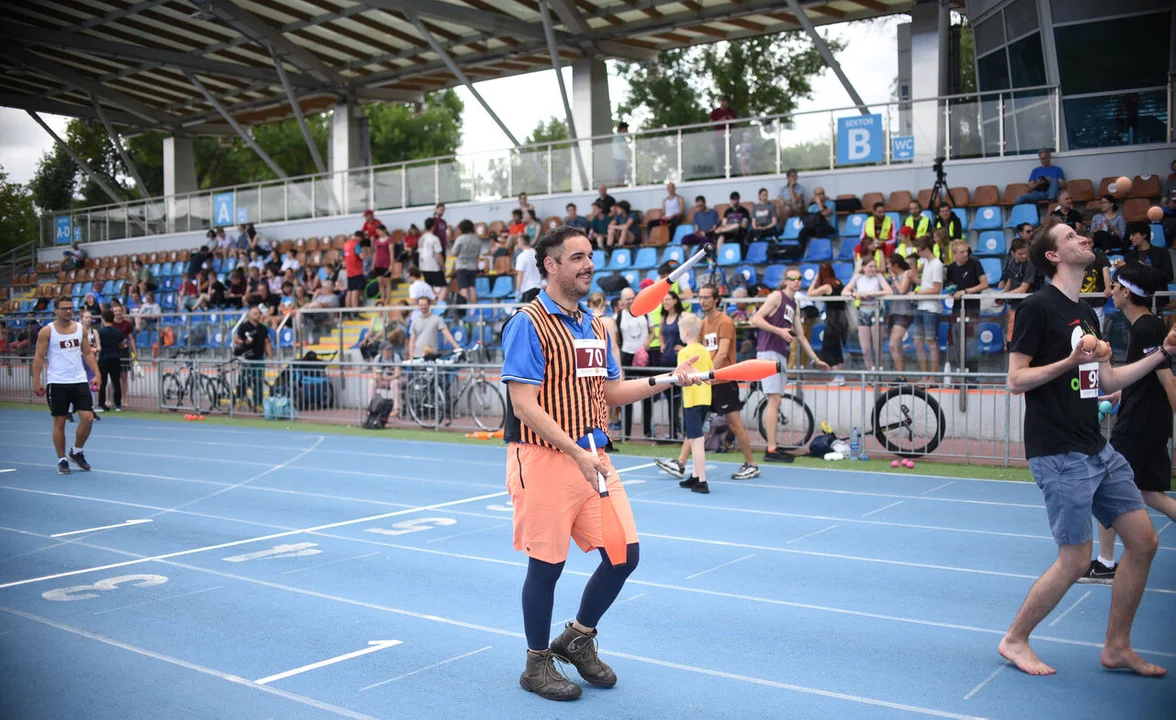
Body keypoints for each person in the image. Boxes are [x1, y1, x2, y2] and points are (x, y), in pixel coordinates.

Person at [499, 225, 700, 701]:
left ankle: (577, 637)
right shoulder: (527, 322)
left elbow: (609, 392)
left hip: (593, 457)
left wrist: (669, 379)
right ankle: (535, 664)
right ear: (551, 265)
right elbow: (525, 404)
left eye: (590, 256)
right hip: (544, 458)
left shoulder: (594, 324)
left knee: (623, 554)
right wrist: (576, 452)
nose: (589, 264)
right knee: (546, 567)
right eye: (577, 257)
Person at [1000, 216, 1171, 678]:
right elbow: (1016, 380)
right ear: (1054, 255)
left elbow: (1105, 380)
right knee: (1075, 558)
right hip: (1058, 452)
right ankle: (1015, 640)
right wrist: (1070, 361)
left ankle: (1116, 647)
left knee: (1143, 541)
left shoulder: (1089, 313)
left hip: (1096, 447)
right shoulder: (1037, 307)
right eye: (1072, 237)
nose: (1083, 238)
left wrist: (1163, 355)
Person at [1082, 262, 1176, 584]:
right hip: (1145, 420)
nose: (1110, 293)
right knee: (1149, 493)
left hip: (1140, 425)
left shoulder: (1147, 329)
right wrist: (1117, 397)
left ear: (1125, 292)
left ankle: (1106, 564)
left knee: (1105, 486)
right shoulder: (1148, 326)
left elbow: (1167, 380)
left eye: (1115, 287)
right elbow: (1145, 378)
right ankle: (1106, 562)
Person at [656, 284, 760, 480]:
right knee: (695, 424)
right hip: (706, 382)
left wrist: (707, 372)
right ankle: (680, 463)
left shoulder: (725, 322)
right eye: (700, 297)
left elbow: (722, 353)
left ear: (716, 299)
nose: (703, 301)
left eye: (706, 297)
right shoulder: (702, 323)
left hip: (722, 381)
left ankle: (751, 464)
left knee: (735, 424)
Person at [751, 267, 829, 462]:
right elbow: (756, 319)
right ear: (785, 280)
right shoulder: (776, 297)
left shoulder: (794, 303)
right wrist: (779, 331)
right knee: (773, 401)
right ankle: (771, 449)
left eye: (799, 278)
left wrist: (816, 358)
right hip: (769, 353)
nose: (796, 281)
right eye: (792, 278)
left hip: (780, 354)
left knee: (775, 401)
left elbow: (801, 336)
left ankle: (773, 446)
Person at [32, 297, 100, 475]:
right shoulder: (47, 332)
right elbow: (39, 357)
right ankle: (61, 460)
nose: (68, 312)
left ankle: (76, 452)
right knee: (59, 421)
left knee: (87, 418)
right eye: (64, 309)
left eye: (70, 308)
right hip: (57, 382)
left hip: (78, 380)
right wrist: (36, 380)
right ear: (56, 310)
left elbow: (87, 352)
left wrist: (97, 374)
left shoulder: (80, 329)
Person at [666, 313, 714, 493]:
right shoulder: (704, 350)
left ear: (685, 332)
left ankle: (702, 479)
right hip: (705, 398)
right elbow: (711, 371)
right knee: (694, 438)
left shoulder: (684, 353)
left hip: (692, 400)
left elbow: (681, 377)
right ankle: (695, 475)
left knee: (697, 440)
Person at [615, 287, 654, 439]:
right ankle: (627, 432)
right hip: (627, 356)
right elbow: (617, 338)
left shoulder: (646, 312)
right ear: (621, 301)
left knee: (648, 392)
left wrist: (646, 345)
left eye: (632, 298)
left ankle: (647, 431)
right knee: (627, 395)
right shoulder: (618, 316)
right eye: (627, 299)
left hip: (644, 357)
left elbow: (653, 332)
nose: (630, 301)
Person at [843, 258, 894, 371]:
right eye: (870, 266)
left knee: (877, 347)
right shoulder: (858, 277)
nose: (873, 269)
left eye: (875, 266)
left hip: (876, 310)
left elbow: (889, 291)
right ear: (864, 267)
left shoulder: (879, 277)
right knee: (865, 349)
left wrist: (872, 294)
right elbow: (845, 291)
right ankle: (870, 371)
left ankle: (879, 372)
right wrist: (855, 294)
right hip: (863, 311)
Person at [912, 237, 944, 384]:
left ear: (925, 249)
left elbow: (936, 289)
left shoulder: (937, 264)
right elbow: (927, 285)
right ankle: (925, 375)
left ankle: (933, 376)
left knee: (931, 342)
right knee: (918, 342)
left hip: (931, 307)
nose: (918, 253)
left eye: (919, 250)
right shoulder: (927, 264)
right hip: (922, 305)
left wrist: (918, 293)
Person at [808, 263, 847, 384]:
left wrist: (815, 279)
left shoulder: (827, 286)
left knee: (829, 347)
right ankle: (839, 375)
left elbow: (810, 293)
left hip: (833, 319)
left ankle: (838, 375)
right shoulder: (838, 282)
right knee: (836, 346)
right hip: (842, 318)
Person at [233, 305, 271, 412]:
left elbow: (267, 342)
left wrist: (271, 359)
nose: (258, 315)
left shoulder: (263, 328)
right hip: (247, 358)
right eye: (255, 313)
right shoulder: (244, 327)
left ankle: (258, 403)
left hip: (259, 358)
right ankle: (240, 399)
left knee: (258, 382)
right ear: (250, 315)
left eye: (259, 313)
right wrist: (245, 342)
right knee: (244, 380)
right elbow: (237, 339)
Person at [1000, 237, 1037, 344]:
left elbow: (1023, 289)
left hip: (1029, 303)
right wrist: (1002, 293)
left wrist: (1004, 295)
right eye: (1020, 254)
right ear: (1013, 253)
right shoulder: (1010, 261)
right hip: (1014, 303)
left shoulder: (1030, 264)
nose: (1024, 256)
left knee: (1027, 333)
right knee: (1011, 331)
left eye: (1025, 253)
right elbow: (1011, 280)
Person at [886, 253, 917, 377]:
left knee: (893, 344)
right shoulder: (894, 277)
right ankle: (900, 375)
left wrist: (893, 279)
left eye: (889, 264)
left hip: (904, 312)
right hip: (894, 312)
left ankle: (901, 376)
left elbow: (902, 290)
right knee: (896, 346)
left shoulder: (906, 274)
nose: (887, 266)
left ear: (895, 265)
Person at [95, 309, 125, 413]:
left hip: (103, 358)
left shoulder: (100, 332)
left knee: (102, 382)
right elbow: (122, 345)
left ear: (103, 319)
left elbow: (97, 344)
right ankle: (118, 405)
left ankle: (101, 404)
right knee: (116, 381)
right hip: (115, 357)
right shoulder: (117, 332)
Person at [451, 219, 481, 311]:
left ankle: (464, 310)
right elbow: (478, 254)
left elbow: (453, 253)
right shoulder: (477, 239)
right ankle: (473, 309)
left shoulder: (460, 239)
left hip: (462, 266)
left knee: (463, 288)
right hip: (473, 266)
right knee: (472, 288)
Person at [418, 218, 447, 302]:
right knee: (444, 286)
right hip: (433, 266)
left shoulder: (421, 238)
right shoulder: (434, 239)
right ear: (433, 226)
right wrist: (443, 266)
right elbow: (438, 255)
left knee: (429, 287)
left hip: (423, 266)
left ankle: (431, 304)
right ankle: (438, 305)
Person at [515, 233, 543, 303]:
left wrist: (517, 291)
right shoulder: (537, 254)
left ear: (521, 242)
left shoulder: (521, 256)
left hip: (528, 288)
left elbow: (520, 275)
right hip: (539, 287)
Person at [342, 232, 366, 308]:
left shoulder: (345, 244)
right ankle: (355, 311)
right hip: (356, 270)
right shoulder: (356, 244)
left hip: (349, 271)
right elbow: (361, 256)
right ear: (359, 237)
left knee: (350, 291)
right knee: (355, 291)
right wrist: (364, 253)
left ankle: (348, 310)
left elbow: (342, 257)